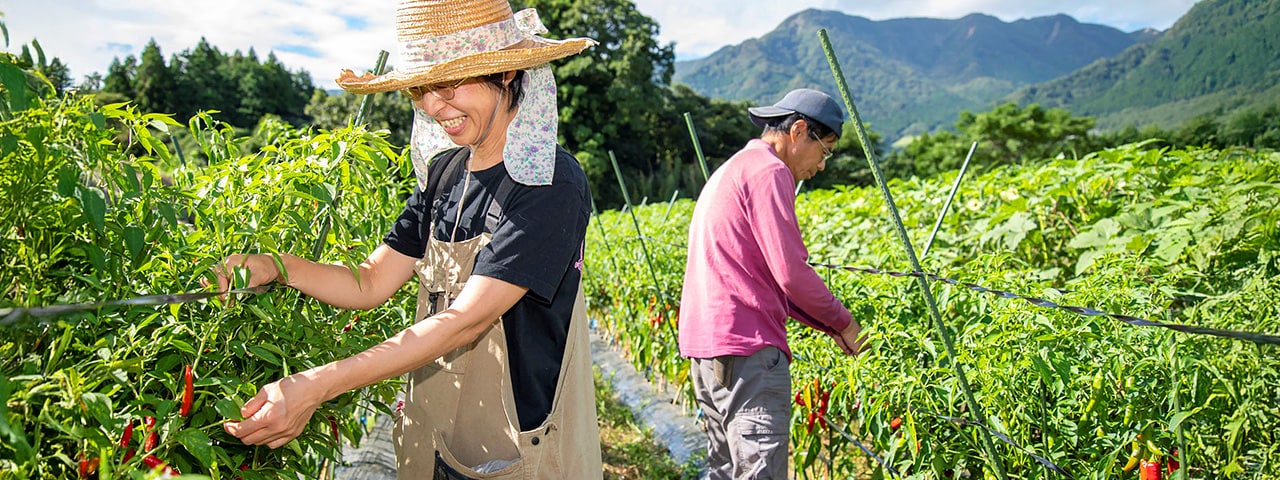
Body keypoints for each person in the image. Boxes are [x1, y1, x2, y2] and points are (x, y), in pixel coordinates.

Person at [211, 1, 603, 478]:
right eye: (421, 89)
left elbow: (464, 322)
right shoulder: (446, 173)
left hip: (516, 447)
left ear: (506, 73)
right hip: (433, 433)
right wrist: (278, 266)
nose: (434, 107)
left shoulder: (548, 182)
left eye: (449, 84)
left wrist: (317, 385)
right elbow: (371, 281)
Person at [678, 88, 866, 479]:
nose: (822, 165)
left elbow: (768, 274)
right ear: (798, 131)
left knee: (725, 469)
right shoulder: (770, 171)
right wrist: (846, 323)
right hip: (747, 350)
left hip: (709, 350)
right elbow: (791, 272)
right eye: (825, 151)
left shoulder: (734, 167)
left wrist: (830, 327)